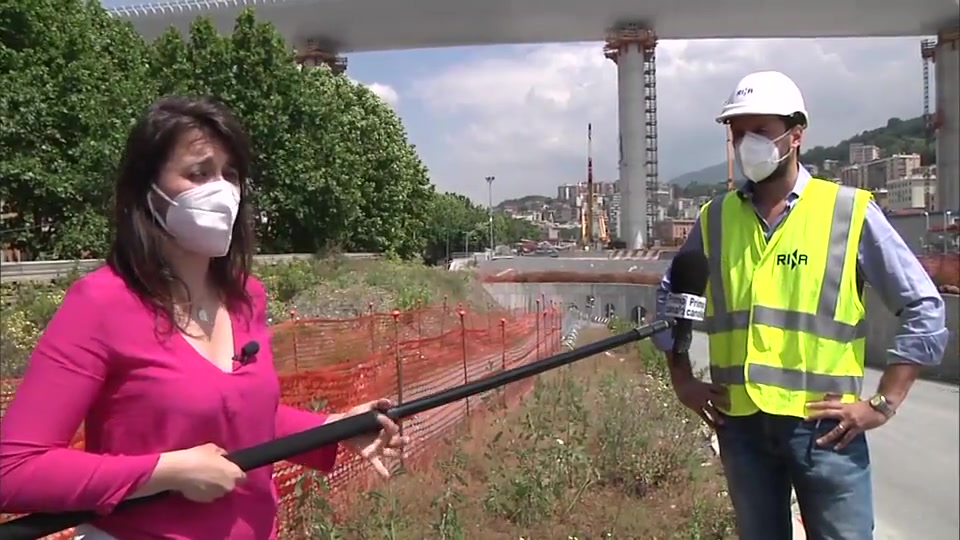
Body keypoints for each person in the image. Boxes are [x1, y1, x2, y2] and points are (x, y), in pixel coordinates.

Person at [0, 96, 408, 539]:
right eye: (199, 173)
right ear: (146, 190)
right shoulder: (99, 303)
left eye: (230, 175)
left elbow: (240, 414)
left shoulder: (246, 297)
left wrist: (330, 429)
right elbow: (15, 469)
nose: (222, 190)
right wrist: (165, 472)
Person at [652, 71, 948, 540]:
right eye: (737, 133)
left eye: (760, 132)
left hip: (826, 430)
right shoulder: (715, 218)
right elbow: (672, 299)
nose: (746, 143)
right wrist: (682, 379)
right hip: (741, 425)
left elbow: (924, 307)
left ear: (796, 134)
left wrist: (882, 403)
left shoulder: (848, 211)